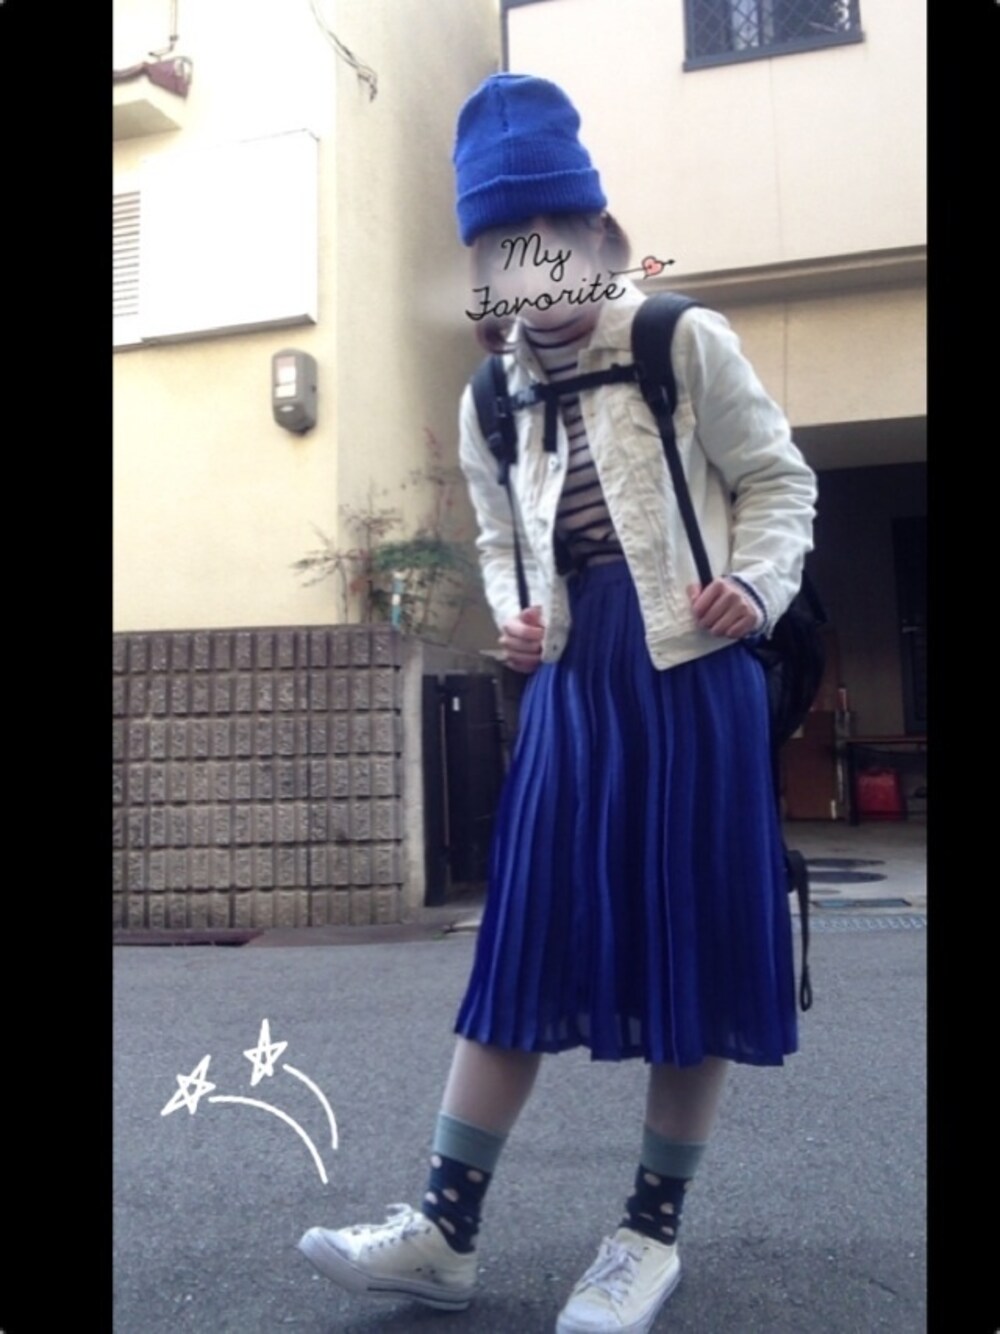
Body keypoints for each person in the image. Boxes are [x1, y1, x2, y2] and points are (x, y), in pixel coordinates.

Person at [298, 72, 817, 1334]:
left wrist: (754, 582)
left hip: (693, 675)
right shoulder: (489, 397)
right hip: (573, 692)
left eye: (550, 240)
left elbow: (778, 478)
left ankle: (647, 1234)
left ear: (597, 236)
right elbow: (498, 538)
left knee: (687, 950)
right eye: (500, 250)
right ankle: (444, 1229)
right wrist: (519, 613)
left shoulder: (678, 340)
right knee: (520, 943)